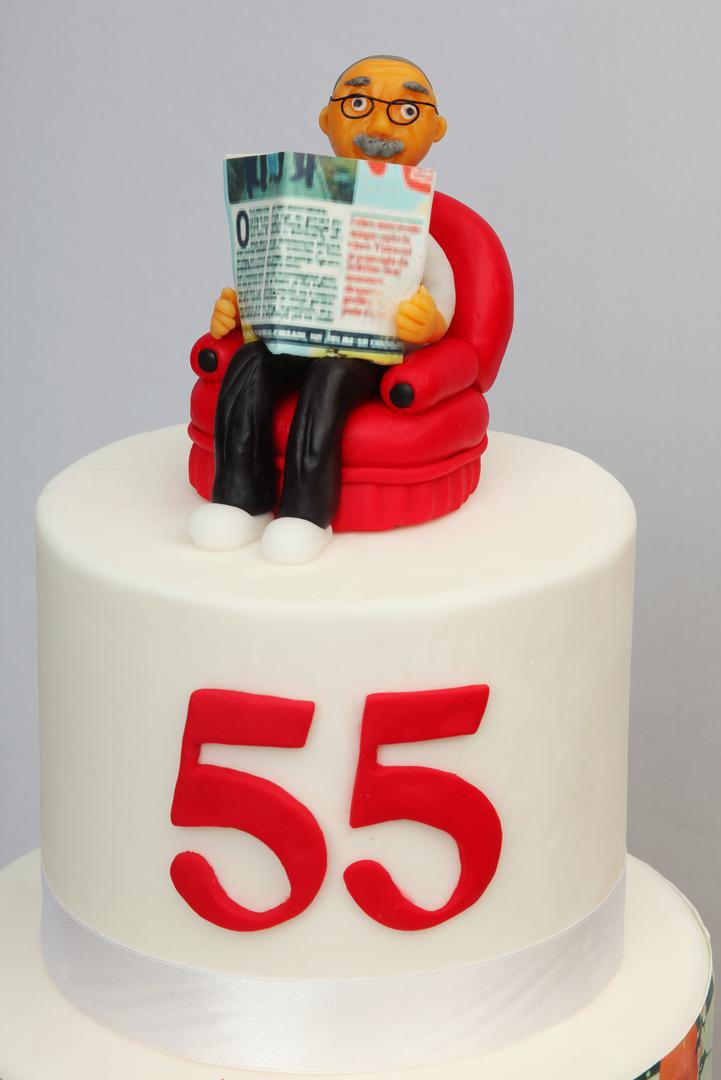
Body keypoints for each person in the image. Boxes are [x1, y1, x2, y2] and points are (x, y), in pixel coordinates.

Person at [189, 55, 454, 563]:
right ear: (327, 119)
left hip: (366, 353)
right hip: (297, 337)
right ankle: (241, 499)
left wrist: (430, 322)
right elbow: (272, 274)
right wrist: (238, 310)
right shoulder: (299, 204)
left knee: (329, 378)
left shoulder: (417, 227)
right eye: (358, 104)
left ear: (435, 129)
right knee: (251, 361)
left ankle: (307, 513)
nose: (380, 127)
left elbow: (443, 292)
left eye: (405, 111)